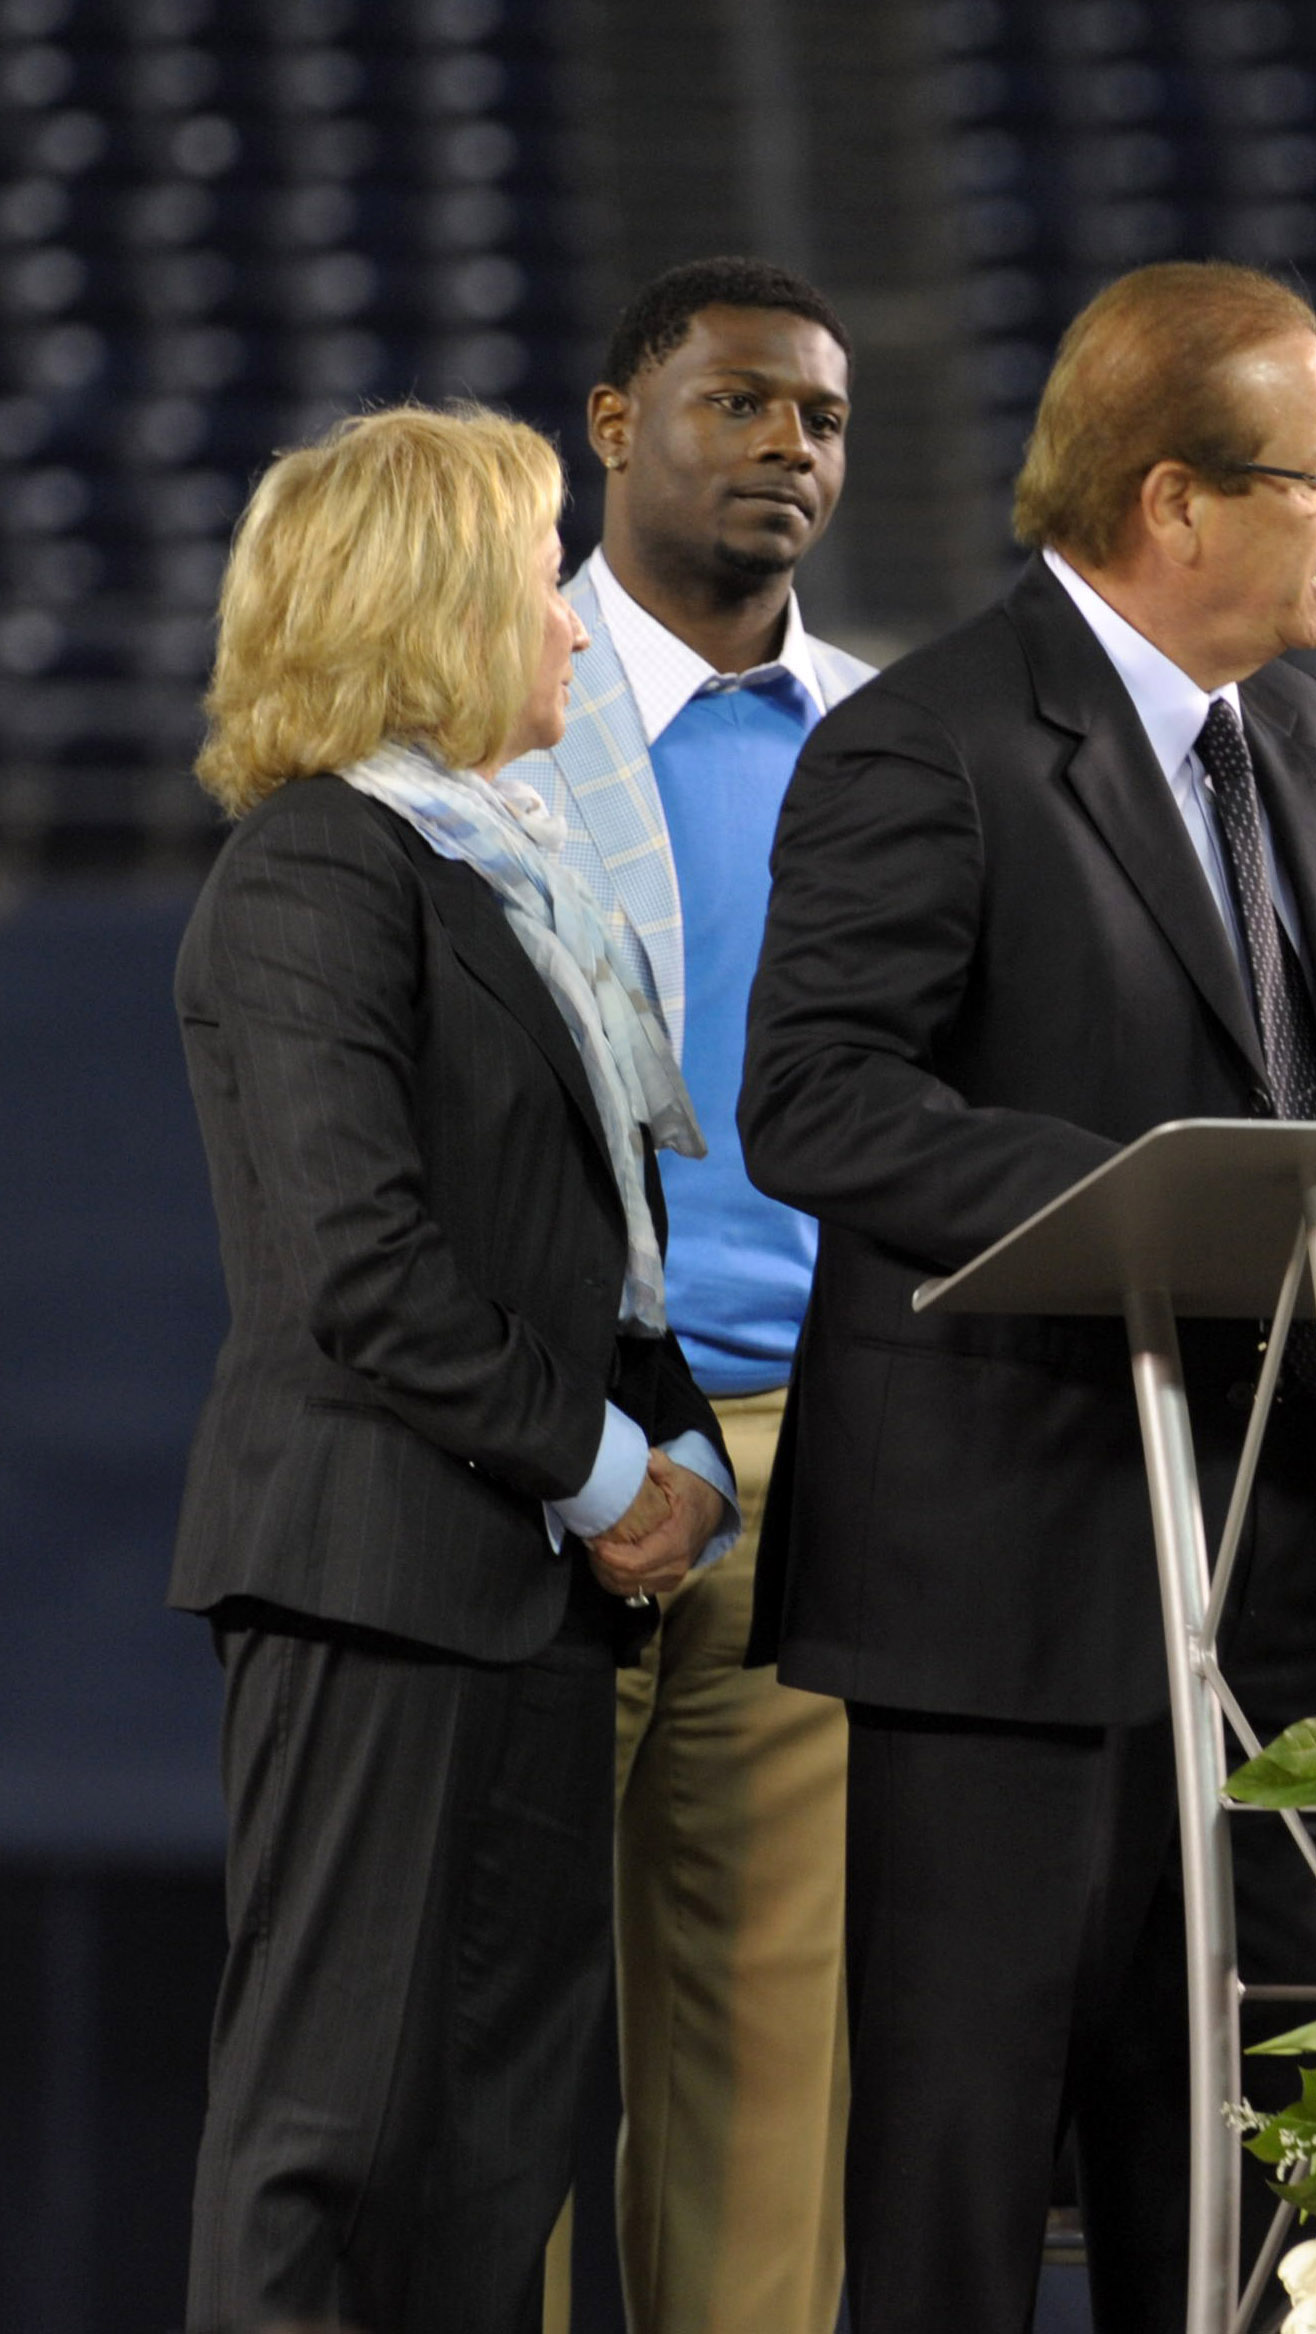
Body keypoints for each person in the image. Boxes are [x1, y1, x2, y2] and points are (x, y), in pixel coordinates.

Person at [736, 260, 1316, 2334]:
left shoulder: (1308, 736)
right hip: (1010, 1600)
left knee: (1273, 2205)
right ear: (1175, 502)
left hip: (1281, 1584)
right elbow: (818, 1100)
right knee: (963, 2195)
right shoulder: (931, 745)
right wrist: (1148, 1210)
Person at [171, 403, 735, 2334]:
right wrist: (600, 1469)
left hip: (528, 1607)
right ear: (423, 611)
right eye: (533, 584)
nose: (574, 630)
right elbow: (360, 1267)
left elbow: (596, 1253)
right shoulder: (317, 870)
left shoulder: (511, 873)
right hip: (374, 1580)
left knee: (497, 2151)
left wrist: (687, 1463)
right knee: (330, 2131)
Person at [512, 256, 874, 2334]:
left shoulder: (888, 742)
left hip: (812, 1457)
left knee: (767, 2071)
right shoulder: (492, 715)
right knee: (500, 2046)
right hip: (541, 1460)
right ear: (613, 421)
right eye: (739, 404)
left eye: (820, 419)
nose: (785, 450)